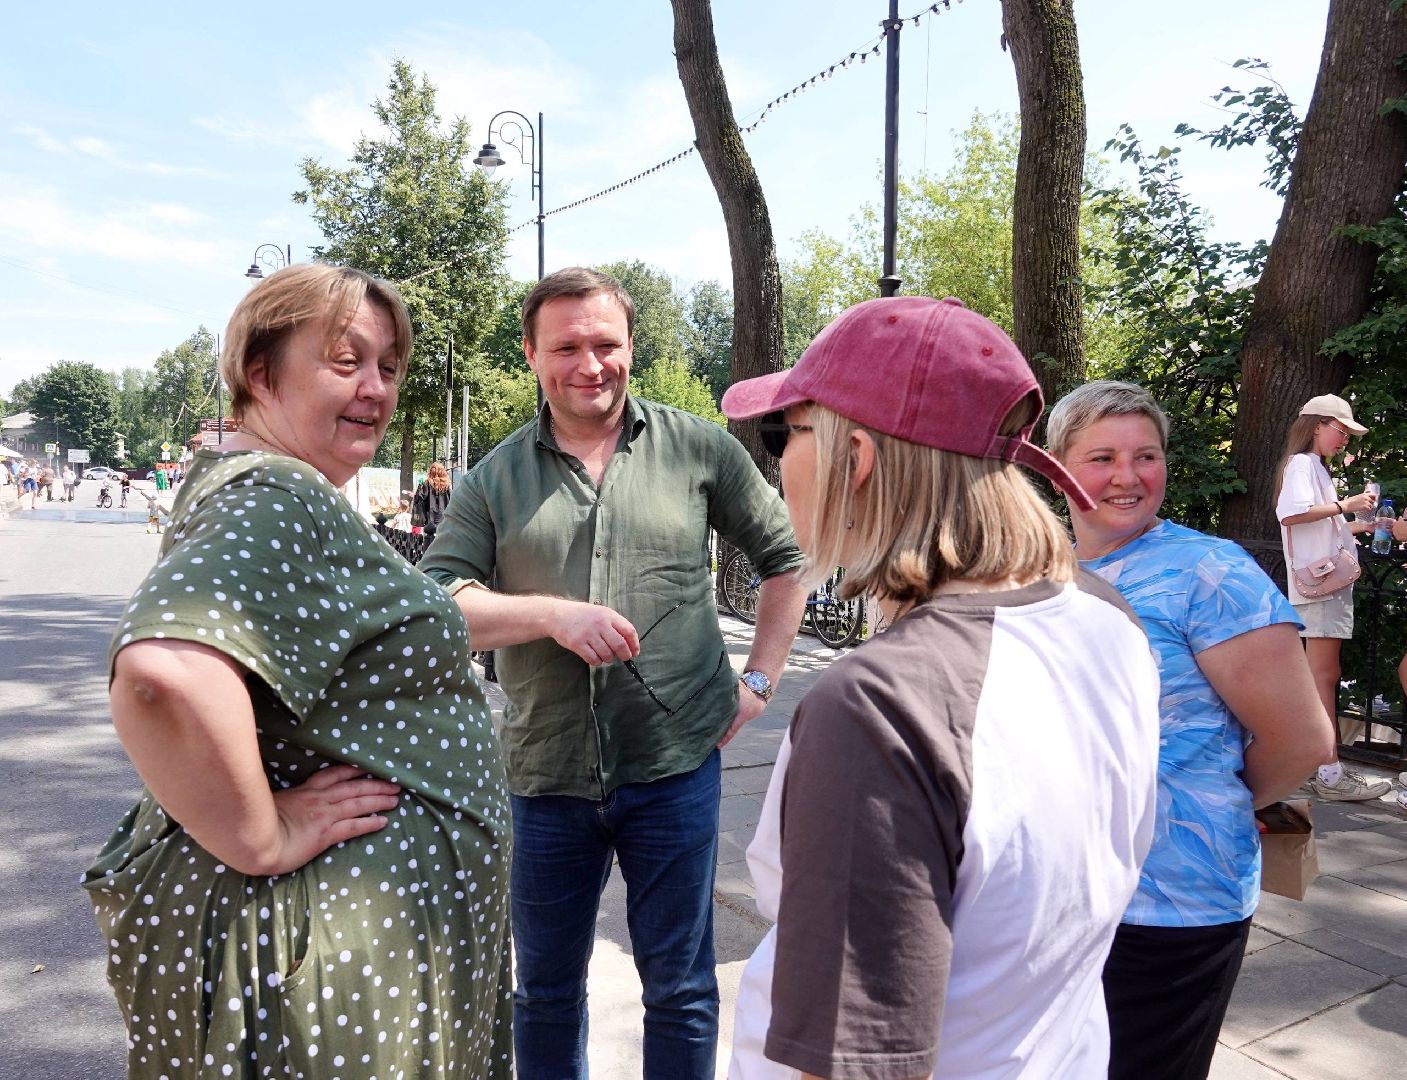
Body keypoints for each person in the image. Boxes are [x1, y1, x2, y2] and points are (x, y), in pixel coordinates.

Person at [82, 263, 514, 1078]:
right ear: (260, 372)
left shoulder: (273, 490)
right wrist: (262, 836)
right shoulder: (276, 494)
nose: (376, 388)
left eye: (389, 366)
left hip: (356, 949)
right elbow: (164, 669)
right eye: (346, 361)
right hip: (336, 962)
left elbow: (387, 624)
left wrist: (554, 617)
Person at [719, 298, 1161, 1079]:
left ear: (854, 457)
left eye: (784, 432)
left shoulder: (880, 707)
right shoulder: (1106, 616)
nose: (777, 460)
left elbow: (856, 1059)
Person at [419, 266, 808, 1079]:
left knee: (681, 989)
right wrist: (550, 615)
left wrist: (760, 681)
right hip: (545, 777)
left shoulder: (697, 447)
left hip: (674, 769)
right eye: (565, 347)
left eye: (605, 343)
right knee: (544, 993)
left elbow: (787, 560)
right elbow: (438, 602)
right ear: (531, 354)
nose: (589, 364)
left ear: (632, 345)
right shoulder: (493, 478)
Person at [1048, 380, 1336, 1080]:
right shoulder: (1043, 568)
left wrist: (1203, 801)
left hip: (1171, 901)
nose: (1127, 476)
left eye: (1145, 456)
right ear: (1056, 469)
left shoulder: (1209, 573)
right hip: (1059, 892)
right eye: (1102, 458)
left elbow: (1302, 740)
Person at [1274, 394, 1392, 801]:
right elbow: (1290, 514)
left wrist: (1360, 525)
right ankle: (1329, 773)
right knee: (1324, 676)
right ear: (1317, 426)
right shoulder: (1303, 464)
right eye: (1341, 430)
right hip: (1323, 584)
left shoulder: (1311, 466)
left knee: (1317, 676)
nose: (1344, 439)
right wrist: (1346, 505)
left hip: (1322, 582)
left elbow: (1316, 524)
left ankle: (1312, 765)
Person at [413, 459, 453, 535]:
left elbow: (419, 498)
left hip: (430, 519)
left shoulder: (427, 483)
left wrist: (419, 487)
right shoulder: (447, 485)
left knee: (430, 539)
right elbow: (452, 500)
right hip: (444, 518)